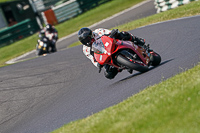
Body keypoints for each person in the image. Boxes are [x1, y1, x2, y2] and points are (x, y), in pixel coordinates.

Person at [78, 27, 145, 79]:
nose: (87, 42)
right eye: (84, 41)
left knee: (123, 34)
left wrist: (113, 33)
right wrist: (98, 64)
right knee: (108, 74)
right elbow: (93, 59)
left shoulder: (98, 32)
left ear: (91, 35)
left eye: (88, 39)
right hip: (105, 56)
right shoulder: (86, 50)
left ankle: (138, 41)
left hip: (112, 45)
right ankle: (119, 67)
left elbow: (110, 32)